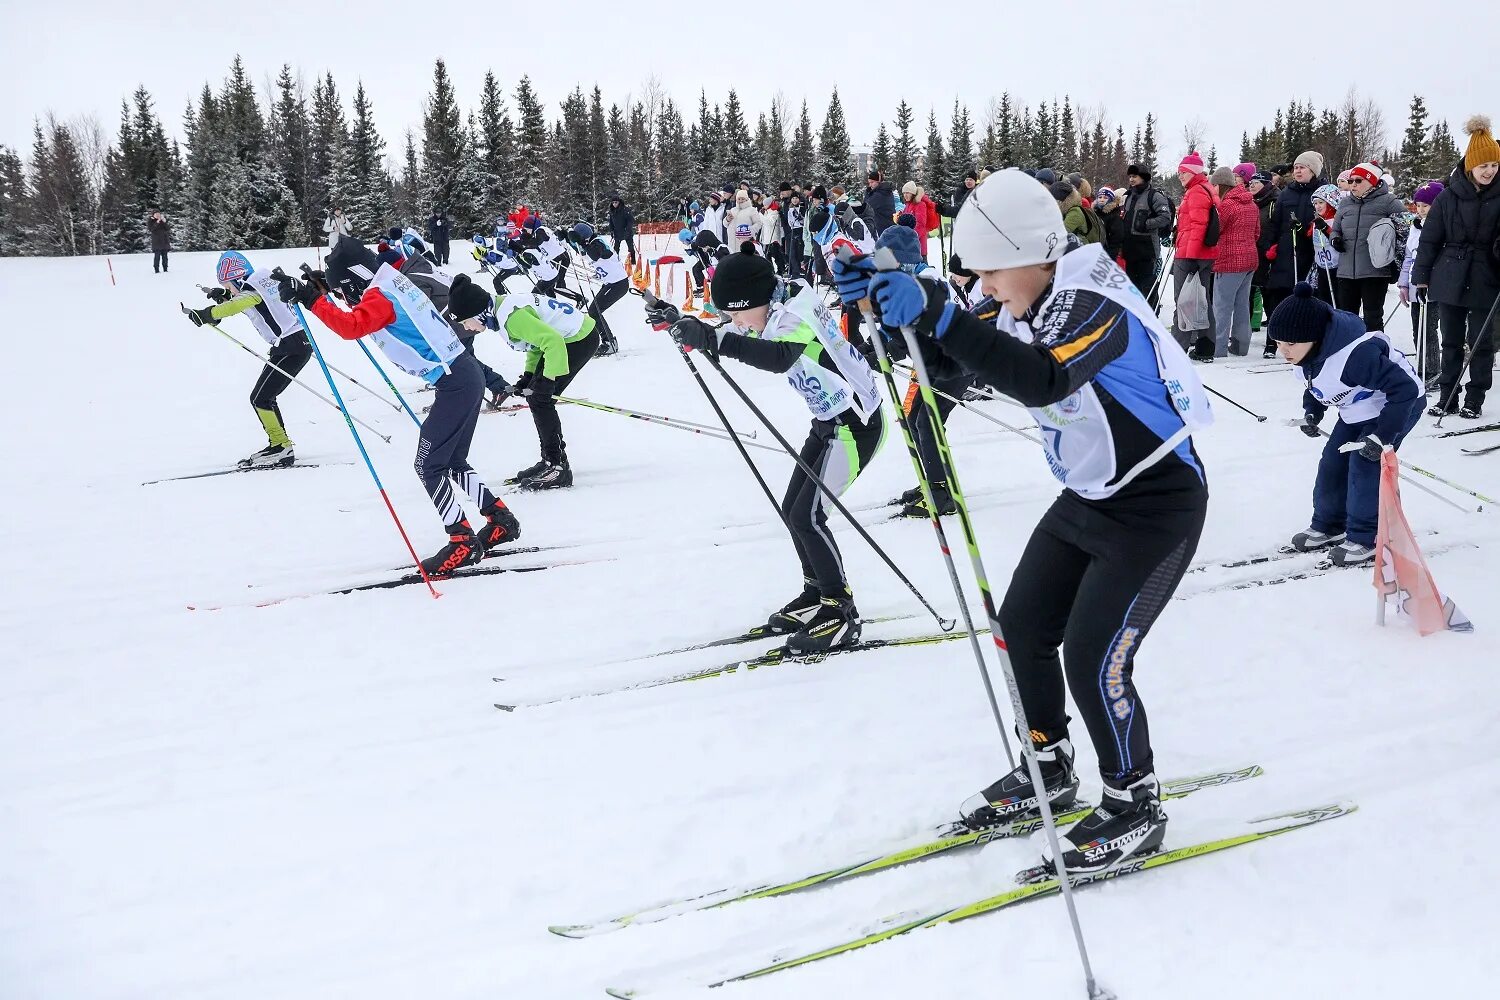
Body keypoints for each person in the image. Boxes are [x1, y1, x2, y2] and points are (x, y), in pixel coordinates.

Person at [851, 168, 1210, 875]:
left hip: (1156, 502)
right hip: (1089, 495)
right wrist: (892, 310)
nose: (983, 287)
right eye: (975, 276)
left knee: (1094, 655)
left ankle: (1134, 801)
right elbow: (954, 366)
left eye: (989, 272)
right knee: (1021, 628)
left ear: (1032, 253)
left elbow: (1043, 377)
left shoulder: (1094, 300)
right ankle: (1048, 766)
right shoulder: (1022, 295)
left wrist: (943, 314)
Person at [654, 248, 885, 654]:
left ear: (756, 299)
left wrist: (711, 338)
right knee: (793, 508)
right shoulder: (773, 303)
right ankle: (816, 594)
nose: (736, 323)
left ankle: (840, 609)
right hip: (829, 420)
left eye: (737, 313)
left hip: (855, 424)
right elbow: (742, 334)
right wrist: (688, 323)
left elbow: (779, 357)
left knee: (808, 515)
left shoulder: (795, 310)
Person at [273, 243, 521, 577]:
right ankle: (499, 518)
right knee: (451, 461)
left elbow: (352, 327)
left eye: (345, 290)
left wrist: (313, 301)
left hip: (455, 382)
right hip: (464, 375)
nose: (348, 297)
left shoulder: (379, 295)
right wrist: (324, 293)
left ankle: (461, 540)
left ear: (355, 280)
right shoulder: (389, 282)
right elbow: (361, 310)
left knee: (428, 466)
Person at [1271, 283, 1422, 566]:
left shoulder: (1356, 356)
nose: (1283, 351)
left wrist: (1382, 436)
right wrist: (1312, 413)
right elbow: (1315, 385)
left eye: (1290, 344)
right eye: (1278, 343)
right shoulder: (1307, 355)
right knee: (1332, 462)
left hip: (1398, 405)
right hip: (1355, 409)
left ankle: (1366, 538)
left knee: (1364, 465)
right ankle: (1329, 525)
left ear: (1313, 338)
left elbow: (1405, 390)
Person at [837, 224, 971, 518]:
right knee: (915, 420)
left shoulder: (926, 282)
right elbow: (893, 330)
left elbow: (913, 334)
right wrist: (864, 352)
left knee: (927, 423)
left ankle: (940, 493)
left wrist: (885, 352)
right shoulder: (906, 281)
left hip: (957, 361)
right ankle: (933, 483)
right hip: (935, 360)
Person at [183, 250, 313, 467]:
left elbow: (237, 305)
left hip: (290, 347)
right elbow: (254, 305)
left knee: (260, 398)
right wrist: (224, 298)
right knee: (263, 397)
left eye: (228, 286)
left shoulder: (251, 289)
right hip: (293, 344)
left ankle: (281, 447)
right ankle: (279, 445)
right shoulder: (261, 280)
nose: (229, 290)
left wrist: (207, 314)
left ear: (236, 278)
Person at [1413, 116, 1500, 418]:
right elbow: (1430, 240)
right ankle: (1448, 394)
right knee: (1449, 339)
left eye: (1495, 165)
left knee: (1479, 342)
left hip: (1487, 276)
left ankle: (1475, 398)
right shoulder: (1447, 196)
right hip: (1449, 275)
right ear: (1470, 164)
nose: (1490, 171)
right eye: (1484, 165)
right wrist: (1421, 277)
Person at [486, 291, 601, 489]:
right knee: (536, 397)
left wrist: (547, 379)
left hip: (577, 339)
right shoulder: (504, 307)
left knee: (540, 399)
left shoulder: (512, 319)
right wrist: (530, 375)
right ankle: (550, 461)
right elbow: (537, 343)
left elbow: (552, 341)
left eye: (465, 321)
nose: (466, 327)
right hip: (569, 338)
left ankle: (557, 467)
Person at [1261, 150, 1330, 356]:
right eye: (1296, 168)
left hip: (1310, 252)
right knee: (1278, 296)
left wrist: (1306, 229)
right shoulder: (1286, 193)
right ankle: (1273, 341)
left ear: (1313, 171)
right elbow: (1275, 223)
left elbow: (1328, 219)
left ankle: (1305, 340)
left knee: (1306, 296)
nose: (1298, 171)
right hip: (1285, 251)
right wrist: (1269, 246)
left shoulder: (1322, 192)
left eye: (1302, 167)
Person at [1331, 162, 1407, 331]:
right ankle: (1348, 353)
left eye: (1358, 180)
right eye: (1350, 181)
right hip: (1346, 271)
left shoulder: (1389, 201)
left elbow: (1406, 229)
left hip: (1375, 271)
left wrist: (1394, 256)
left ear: (1372, 181)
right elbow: (1335, 229)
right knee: (1347, 318)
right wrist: (1335, 239)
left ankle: (1374, 351)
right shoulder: (1345, 203)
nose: (1353, 185)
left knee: (1373, 317)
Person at [1173, 152, 1220, 359]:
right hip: (1203, 254)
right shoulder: (1205, 189)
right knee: (1201, 300)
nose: (1180, 176)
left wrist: (1191, 257)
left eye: (1183, 172)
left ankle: (1177, 347)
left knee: (1183, 300)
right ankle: (1206, 346)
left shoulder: (1196, 192)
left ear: (1193, 172)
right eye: (1179, 172)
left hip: (1191, 255)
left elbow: (1198, 227)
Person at [1397, 180, 1444, 382]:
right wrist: (1404, 284)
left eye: (1426, 205)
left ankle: (1433, 370)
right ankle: (1423, 367)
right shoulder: (1415, 227)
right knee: (1418, 328)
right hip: (1416, 283)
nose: (1421, 210)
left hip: (1433, 285)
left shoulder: (1443, 226)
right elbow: (1409, 257)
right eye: (1418, 205)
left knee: (1429, 330)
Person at [1212, 165, 1261, 356]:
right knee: (1242, 305)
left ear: (1221, 185)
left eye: (1214, 186)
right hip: (1249, 260)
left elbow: (1217, 231)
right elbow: (1256, 233)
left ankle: (1218, 348)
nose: (1213, 189)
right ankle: (1241, 347)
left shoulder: (1226, 205)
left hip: (1229, 261)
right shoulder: (1252, 204)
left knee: (1222, 307)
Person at [566, 221, 628, 357]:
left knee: (594, 311)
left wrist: (582, 242)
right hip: (610, 283)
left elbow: (596, 254)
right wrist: (566, 237)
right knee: (594, 311)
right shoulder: (588, 243)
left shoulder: (598, 242)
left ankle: (609, 342)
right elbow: (579, 249)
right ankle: (608, 341)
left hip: (618, 284)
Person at [1121, 164, 1174, 308]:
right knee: (1132, 286)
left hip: (1147, 250)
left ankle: (1152, 315)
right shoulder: (1129, 195)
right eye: (1130, 176)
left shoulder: (1154, 196)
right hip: (1130, 249)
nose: (1131, 179)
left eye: (1134, 176)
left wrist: (1146, 223)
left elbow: (1165, 217)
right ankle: (1136, 315)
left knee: (1148, 286)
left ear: (1143, 177)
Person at [1248, 172, 1278, 338]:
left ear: (1267, 184)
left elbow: (1280, 228)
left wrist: (1275, 247)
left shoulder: (1275, 201)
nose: (1251, 185)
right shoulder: (1251, 201)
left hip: (1269, 256)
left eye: (1256, 182)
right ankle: (1243, 336)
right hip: (1252, 254)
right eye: (1251, 182)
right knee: (1248, 297)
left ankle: (1272, 341)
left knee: (1269, 298)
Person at [899, 182, 941, 258]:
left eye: (907, 193)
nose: (905, 195)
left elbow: (920, 225)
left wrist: (910, 238)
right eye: (904, 193)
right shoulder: (908, 204)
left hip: (919, 247)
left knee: (923, 268)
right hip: (910, 246)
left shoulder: (920, 205)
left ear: (913, 193)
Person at [1054, 179, 1102, 246]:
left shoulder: (1075, 212)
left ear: (1060, 200)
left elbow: (1061, 232)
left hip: (1084, 249)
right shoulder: (1069, 209)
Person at [1094, 187, 1126, 261]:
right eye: (1100, 197)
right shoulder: (1094, 213)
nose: (1102, 199)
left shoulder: (1114, 216)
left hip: (1107, 254)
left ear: (1111, 200)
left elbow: (1117, 239)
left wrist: (1109, 256)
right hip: (1094, 252)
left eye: (1105, 198)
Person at [864, 170, 897, 236]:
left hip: (883, 228)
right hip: (885, 227)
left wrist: (868, 193)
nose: (870, 185)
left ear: (878, 181)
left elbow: (866, 207)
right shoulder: (884, 191)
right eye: (869, 183)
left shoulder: (880, 194)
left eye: (872, 182)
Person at [606, 194, 636, 264]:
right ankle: (616, 261)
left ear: (619, 202)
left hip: (627, 232)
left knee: (631, 247)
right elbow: (611, 222)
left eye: (616, 202)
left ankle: (633, 260)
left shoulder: (625, 209)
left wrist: (627, 229)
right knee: (616, 248)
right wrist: (611, 230)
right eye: (613, 202)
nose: (614, 204)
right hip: (617, 232)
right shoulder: (612, 211)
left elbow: (631, 220)